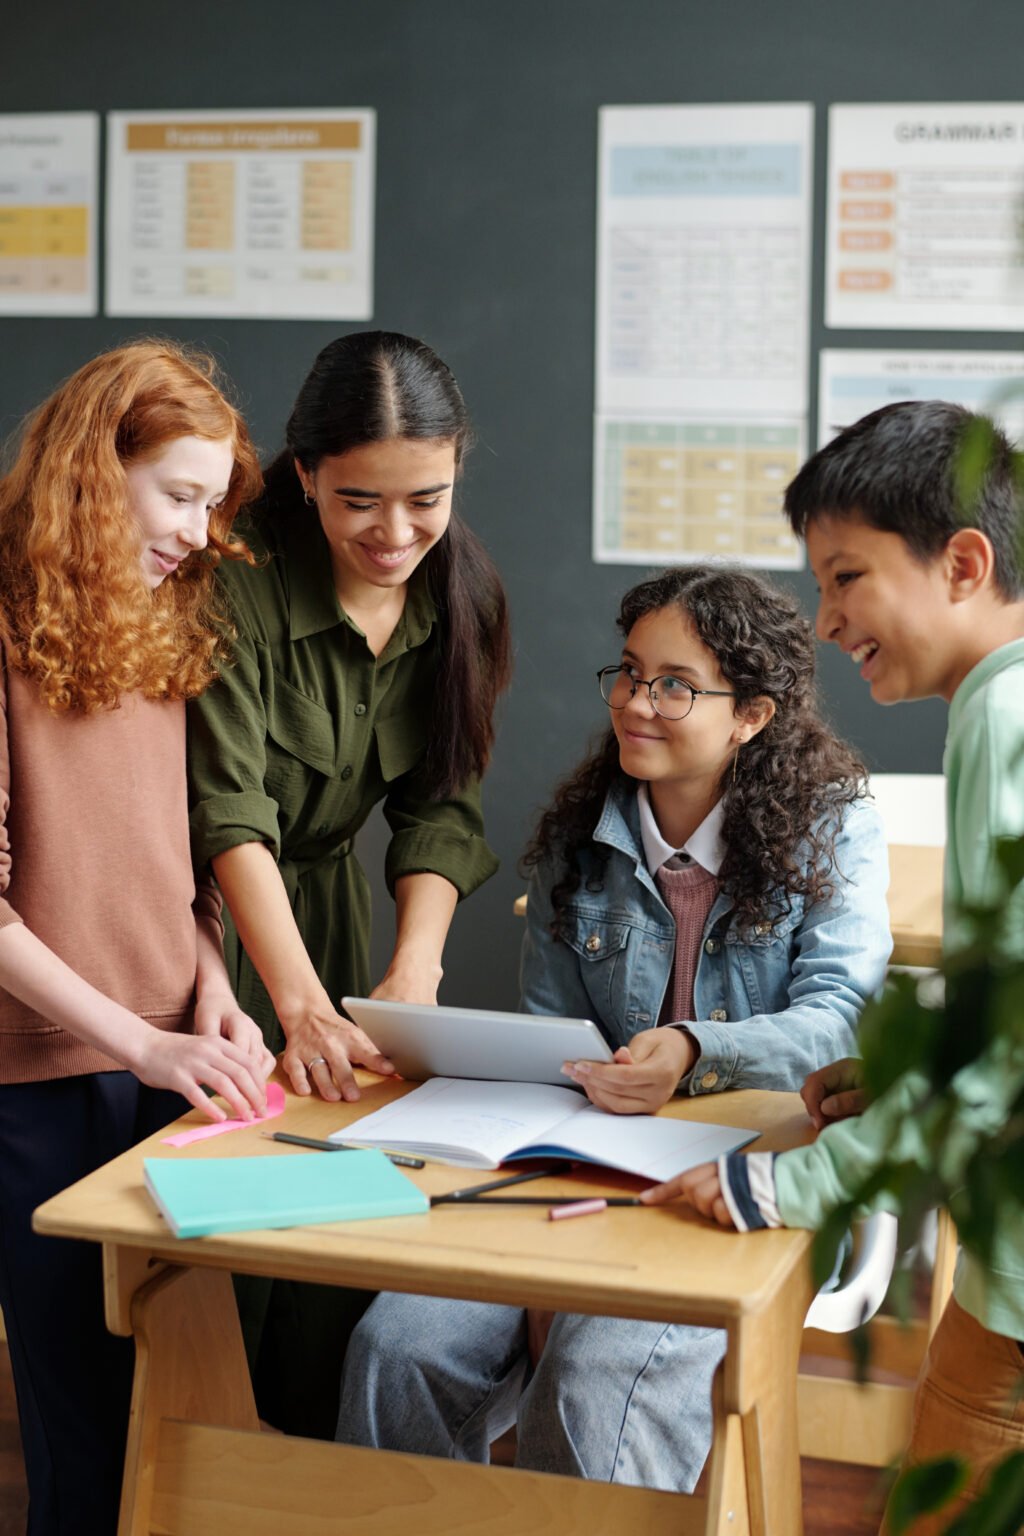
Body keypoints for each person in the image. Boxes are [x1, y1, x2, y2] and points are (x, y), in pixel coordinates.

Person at [335, 563, 892, 1492]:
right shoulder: (576, 835)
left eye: (675, 686)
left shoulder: (833, 828)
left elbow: (839, 1023)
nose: (636, 702)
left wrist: (696, 1051)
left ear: (751, 715)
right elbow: (550, 1038)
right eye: (630, 673)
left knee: (593, 1378)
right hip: (579, 1174)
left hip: (741, 1186)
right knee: (397, 1345)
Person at [647, 401, 1024, 1533]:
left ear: (963, 564)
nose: (824, 621)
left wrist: (780, 1184)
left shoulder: (1002, 716)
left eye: (847, 577)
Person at [187, 329, 512, 1436]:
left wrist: (413, 977)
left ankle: (320, 1477)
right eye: (359, 501)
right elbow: (228, 810)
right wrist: (296, 1003)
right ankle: (208, 1474)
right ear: (306, 473)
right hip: (209, 931)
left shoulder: (460, 597)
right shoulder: (235, 580)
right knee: (225, 1240)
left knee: (332, 1236)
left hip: (327, 922)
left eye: (427, 499)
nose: (396, 533)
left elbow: (440, 809)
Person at [0, 341, 276, 1536]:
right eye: (179, 496)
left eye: (213, 506)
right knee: (84, 1425)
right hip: (47, 1076)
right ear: (89, 469)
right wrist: (141, 1042)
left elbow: (177, 858)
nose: (200, 533)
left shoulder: (160, 618)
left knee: (183, 1410)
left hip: (175, 1067)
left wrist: (209, 987)